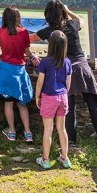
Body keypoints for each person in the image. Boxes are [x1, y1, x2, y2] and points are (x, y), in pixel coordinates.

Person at [35, 0, 97, 149]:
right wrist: (68, 10)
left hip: (65, 70)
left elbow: (29, 38)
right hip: (83, 68)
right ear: (62, 13)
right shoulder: (72, 25)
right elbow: (81, 20)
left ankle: (71, 141)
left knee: (69, 106)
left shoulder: (48, 32)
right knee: (93, 104)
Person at [0, 6, 40, 142]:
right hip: (20, 71)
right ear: (17, 18)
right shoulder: (24, 32)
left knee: (8, 103)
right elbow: (27, 51)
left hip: (6, 71)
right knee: (22, 103)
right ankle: (28, 133)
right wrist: (33, 58)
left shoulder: (1, 32)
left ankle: (12, 132)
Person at [35, 30, 72, 169]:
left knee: (48, 130)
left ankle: (45, 160)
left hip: (49, 97)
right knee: (62, 129)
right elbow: (68, 82)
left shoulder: (45, 62)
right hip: (63, 97)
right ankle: (65, 158)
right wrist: (64, 94)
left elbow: (40, 82)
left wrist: (37, 96)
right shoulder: (67, 62)